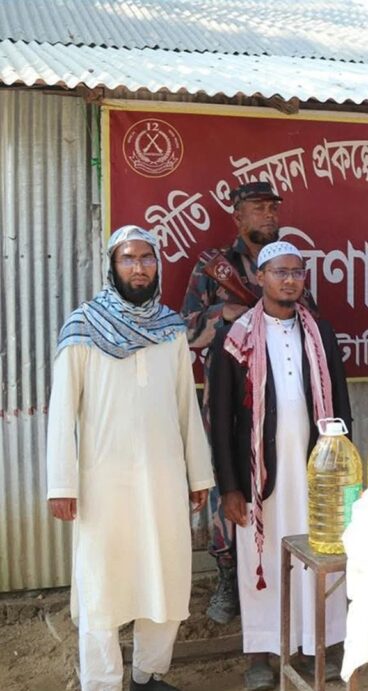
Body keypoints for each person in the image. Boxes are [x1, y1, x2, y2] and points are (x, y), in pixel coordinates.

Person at [46, 225, 214, 691]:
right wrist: (62, 484)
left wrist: (198, 474)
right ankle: (101, 683)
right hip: (103, 484)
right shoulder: (82, 328)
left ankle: (148, 675)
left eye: (146, 258)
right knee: (103, 585)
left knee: (165, 577)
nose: (139, 267)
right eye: (128, 258)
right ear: (111, 265)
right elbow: (62, 413)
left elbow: (186, 405)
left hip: (163, 481)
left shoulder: (171, 329)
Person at [207, 241, 352, 690]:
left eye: (297, 272)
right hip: (259, 477)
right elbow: (220, 416)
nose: (289, 279)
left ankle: (317, 648)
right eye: (279, 272)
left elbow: (340, 404)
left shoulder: (321, 332)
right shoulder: (235, 337)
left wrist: (345, 473)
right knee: (263, 561)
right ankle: (261, 656)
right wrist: (230, 488)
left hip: (317, 474)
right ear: (261, 278)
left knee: (320, 556)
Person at [181, 180, 316, 625]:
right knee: (232, 489)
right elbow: (184, 332)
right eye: (259, 208)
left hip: (286, 397)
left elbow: (311, 323)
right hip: (232, 397)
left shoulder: (288, 263)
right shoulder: (213, 267)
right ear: (238, 215)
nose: (269, 215)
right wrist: (225, 315)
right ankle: (227, 578)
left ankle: (292, 582)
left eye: (273, 208)